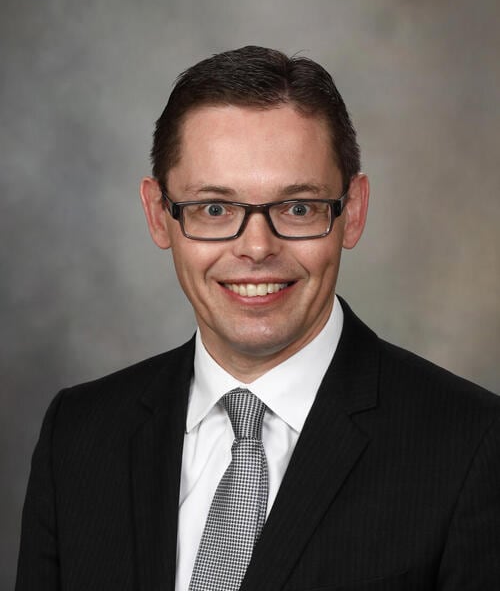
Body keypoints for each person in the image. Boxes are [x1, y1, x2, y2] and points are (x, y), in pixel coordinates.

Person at [16, 46, 500, 591]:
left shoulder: (474, 445)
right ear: (158, 215)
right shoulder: (77, 436)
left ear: (354, 212)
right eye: (214, 208)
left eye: (298, 208)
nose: (256, 248)